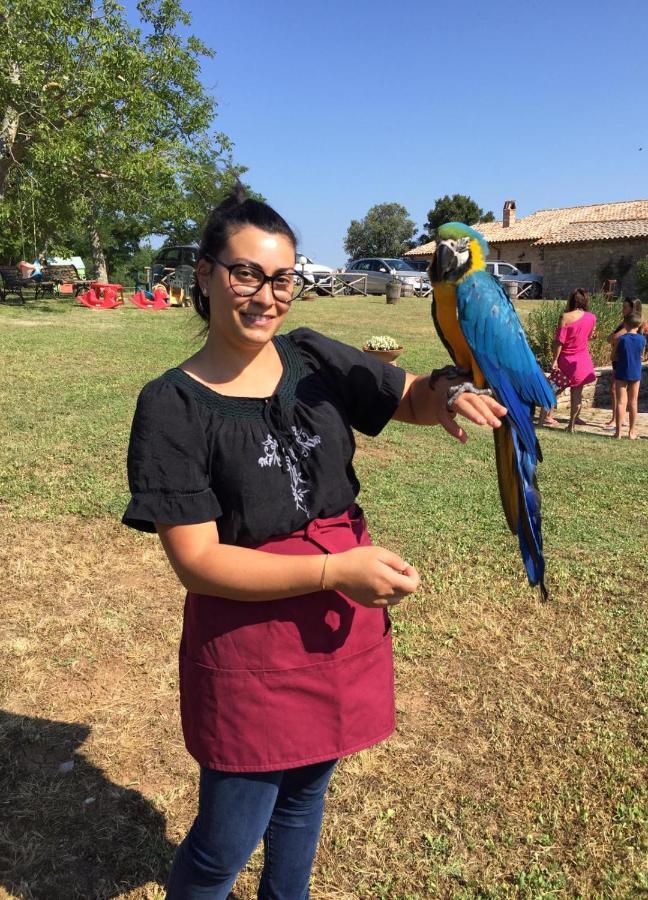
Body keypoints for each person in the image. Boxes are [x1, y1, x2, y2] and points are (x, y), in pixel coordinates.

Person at [122, 186, 507, 899]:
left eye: (281, 279)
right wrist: (336, 571)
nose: (265, 296)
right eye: (245, 274)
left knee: (303, 805)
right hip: (250, 645)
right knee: (223, 845)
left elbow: (408, 397)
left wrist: (448, 391)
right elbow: (197, 563)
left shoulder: (311, 356)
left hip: (336, 632)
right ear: (204, 275)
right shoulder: (171, 404)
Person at [540, 289, 597, 432]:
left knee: (550, 390)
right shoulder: (591, 317)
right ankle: (571, 426)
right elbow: (589, 336)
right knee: (577, 395)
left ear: (571, 300)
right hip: (582, 362)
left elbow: (559, 342)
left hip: (565, 361)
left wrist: (555, 360)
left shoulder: (565, 317)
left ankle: (540, 423)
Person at [604, 298, 648, 430]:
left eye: (625, 307)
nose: (623, 310)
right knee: (629, 399)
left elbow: (613, 339)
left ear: (632, 309)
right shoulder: (631, 328)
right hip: (632, 367)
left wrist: (615, 339)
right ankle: (625, 426)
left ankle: (619, 422)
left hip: (622, 363)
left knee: (621, 397)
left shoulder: (629, 329)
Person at [611, 312, 646, 440]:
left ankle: (618, 432)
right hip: (635, 372)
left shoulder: (621, 339)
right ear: (639, 325)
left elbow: (613, 356)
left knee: (621, 402)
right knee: (633, 402)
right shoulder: (642, 339)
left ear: (625, 324)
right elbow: (642, 355)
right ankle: (632, 431)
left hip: (622, 371)